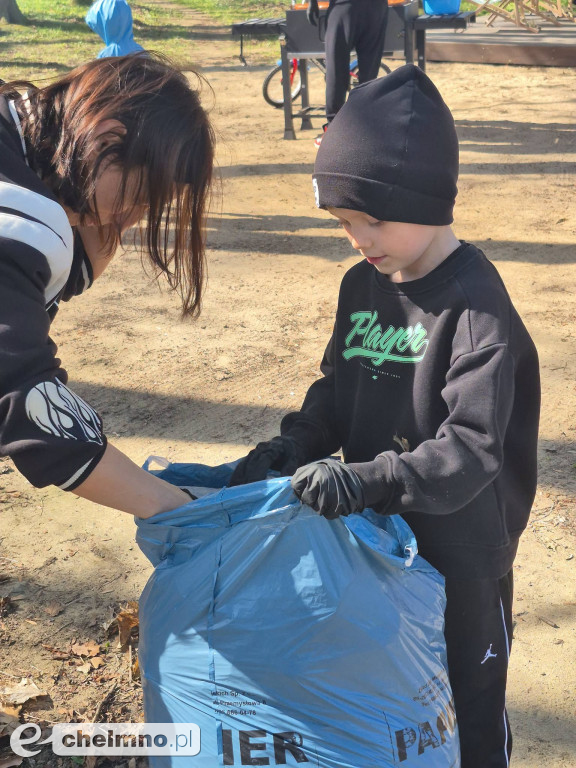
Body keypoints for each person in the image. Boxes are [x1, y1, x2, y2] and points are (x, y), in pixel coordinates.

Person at [230, 65, 540, 768]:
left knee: (469, 705)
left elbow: (473, 447)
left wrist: (366, 480)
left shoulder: (477, 309)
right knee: (396, 692)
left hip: (461, 553)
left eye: (371, 219)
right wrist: (297, 442)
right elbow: (338, 388)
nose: (357, 238)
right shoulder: (362, 284)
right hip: (374, 537)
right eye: (343, 222)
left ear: (425, 199)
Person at [0, 53, 215, 519]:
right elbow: (24, 399)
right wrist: (179, 508)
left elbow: (61, 273)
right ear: (106, 136)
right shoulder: (21, 219)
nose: (127, 222)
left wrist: (93, 189)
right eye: (138, 200)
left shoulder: (19, 124)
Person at [306, 0, 388, 146]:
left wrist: (312, 2)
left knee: (336, 70)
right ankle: (366, 129)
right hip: (376, 8)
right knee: (369, 73)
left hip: (344, 6)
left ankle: (333, 129)